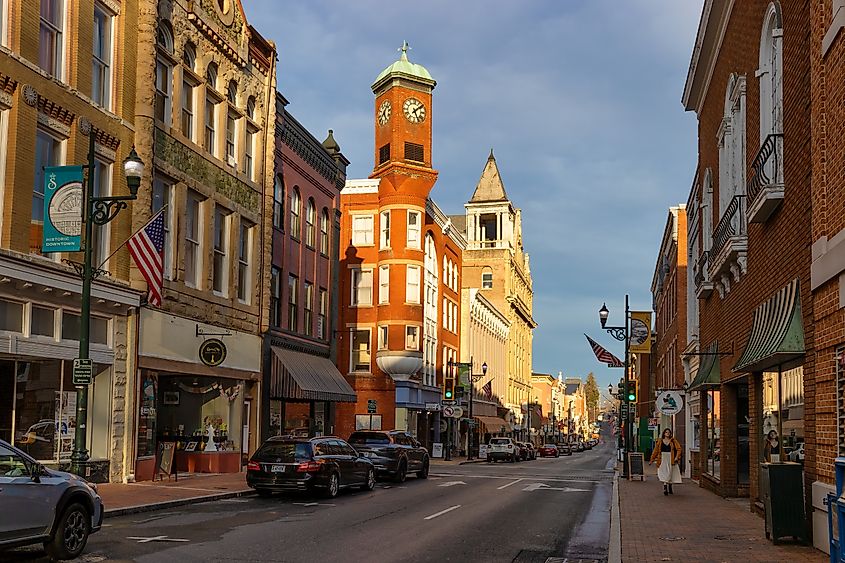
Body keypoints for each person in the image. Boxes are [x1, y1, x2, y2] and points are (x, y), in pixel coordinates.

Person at [649, 428, 682, 495]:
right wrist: (652, 459)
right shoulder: (660, 441)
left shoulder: (673, 441)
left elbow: (679, 449)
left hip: (670, 458)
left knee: (669, 472)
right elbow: (656, 451)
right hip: (662, 458)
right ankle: (665, 487)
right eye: (666, 432)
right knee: (663, 472)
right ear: (664, 433)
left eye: (669, 432)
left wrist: (676, 457)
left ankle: (669, 485)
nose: (667, 433)